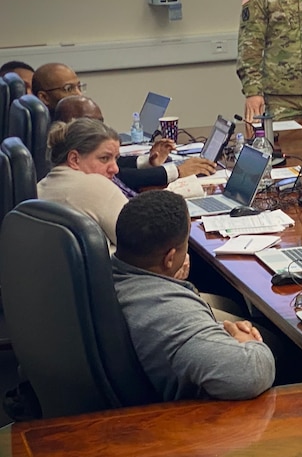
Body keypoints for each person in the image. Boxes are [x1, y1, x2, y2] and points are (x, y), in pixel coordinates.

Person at [113, 190, 275, 401]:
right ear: (169, 259)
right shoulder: (169, 314)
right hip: (187, 419)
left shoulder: (109, 271)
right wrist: (245, 341)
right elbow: (249, 374)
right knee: (278, 345)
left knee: (231, 305)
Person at [53, 95, 216, 191]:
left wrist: (148, 161)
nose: (114, 166)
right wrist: (178, 172)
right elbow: (121, 175)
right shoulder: (91, 187)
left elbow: (118, 165)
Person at [37, 117, 127, 250]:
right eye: (104, 158)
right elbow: (146, 244)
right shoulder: (96, 185)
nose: (115, 168)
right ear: (74, 159)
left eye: (116, 159)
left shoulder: (38, 187)